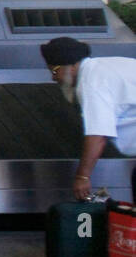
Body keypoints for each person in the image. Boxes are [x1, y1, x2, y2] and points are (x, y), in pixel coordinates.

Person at [40, 37, 136, 200]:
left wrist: (82, 177)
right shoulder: (105, 66)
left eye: (55, 71)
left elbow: (98, 135)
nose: (53, 78)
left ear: (72, 66)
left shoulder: (92, 83)